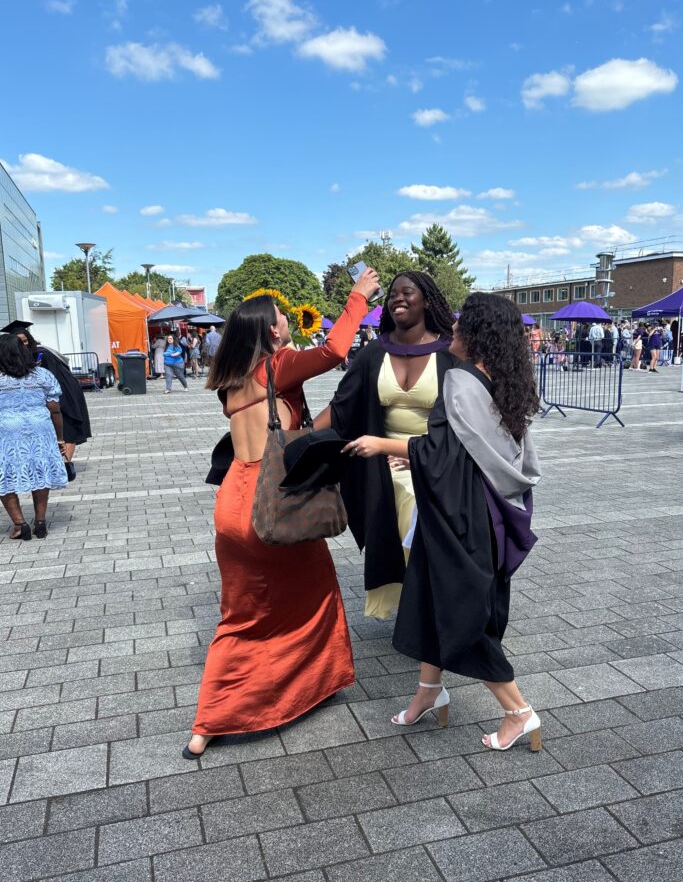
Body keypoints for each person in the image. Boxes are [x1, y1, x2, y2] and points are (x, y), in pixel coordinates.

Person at [183, 267, 380, 758]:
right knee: (313, 596)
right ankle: (308, 685)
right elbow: (335, 351)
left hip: (233, 500)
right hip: (274, 498)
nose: (289, 320)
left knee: (242, 613)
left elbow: (286, 425)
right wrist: (357, 298)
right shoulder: (277, 366)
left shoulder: (231, 381)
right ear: (272, 330)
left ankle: (206, 725)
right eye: (283, 317)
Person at [344, 292, 542, 750]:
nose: (452, 331)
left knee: (461, 613)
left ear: (476, 336)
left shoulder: (459, 382)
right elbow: (470, 454)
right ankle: (429, 693)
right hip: (478, 510)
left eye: (460, 326)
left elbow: (443, 452)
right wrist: (418, 461)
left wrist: (385, 444)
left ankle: (518, 712)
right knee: (429, 600)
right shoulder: (500, 383)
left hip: (460, 518)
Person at [314, 271, 457, 619]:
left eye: (408, 293)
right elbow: (341, 405)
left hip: (435, 461)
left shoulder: (449, 352)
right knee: (390, 516)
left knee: (414, 508)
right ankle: (417, 606)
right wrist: (301, 437)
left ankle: (430, 604)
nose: (398, 299)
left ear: (427, 300)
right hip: (379, 462)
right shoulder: (375, 352)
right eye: (392, 294)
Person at [0, 334, 67, 540]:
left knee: (4, 473)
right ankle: (40, 521)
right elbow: (55, 409)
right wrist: (60, 438)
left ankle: (20, 524)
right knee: (40, 470)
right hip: (40, 428)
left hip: (5, 430)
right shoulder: (42, 375)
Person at [3, 322, 92, 481]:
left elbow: (52, 381)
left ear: (29, 340)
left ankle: (64, 466)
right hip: (48, 398)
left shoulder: (41, 354)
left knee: (68, 429)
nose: (22, 344)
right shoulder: (14, 358)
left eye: (24, 340)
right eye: (18, 341)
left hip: (64, 394)